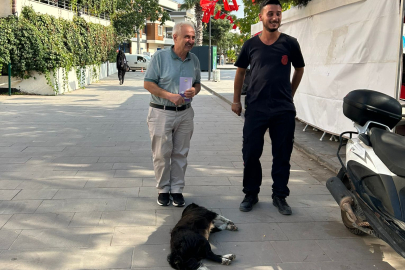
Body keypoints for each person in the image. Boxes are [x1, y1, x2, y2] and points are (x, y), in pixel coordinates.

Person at [232, 0, 305, 215]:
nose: (275, 18)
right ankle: (251, 194)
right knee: (251, 152)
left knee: (282, 154)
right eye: (270, 14)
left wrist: (289, 94)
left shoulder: (290, 43)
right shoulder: (250, 45)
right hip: (256, 108)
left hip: (283, 110)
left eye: (278, 14)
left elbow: (299, 69)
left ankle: (280, 195)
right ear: (261, 17)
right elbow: (240, 72)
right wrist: (236, 100)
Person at [144, 21, 201, 207]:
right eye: (187, 36)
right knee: (161, 154)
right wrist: (169, 95)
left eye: (192, 37)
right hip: (161, 112)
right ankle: (163, 190)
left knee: (180, 153)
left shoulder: (194, 60)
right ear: (175, 37)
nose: (190, 40)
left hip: (185, 114)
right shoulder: (160, 57)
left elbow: (198, 83)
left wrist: (194, 90)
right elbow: (148, 83)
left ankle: (177, 189)